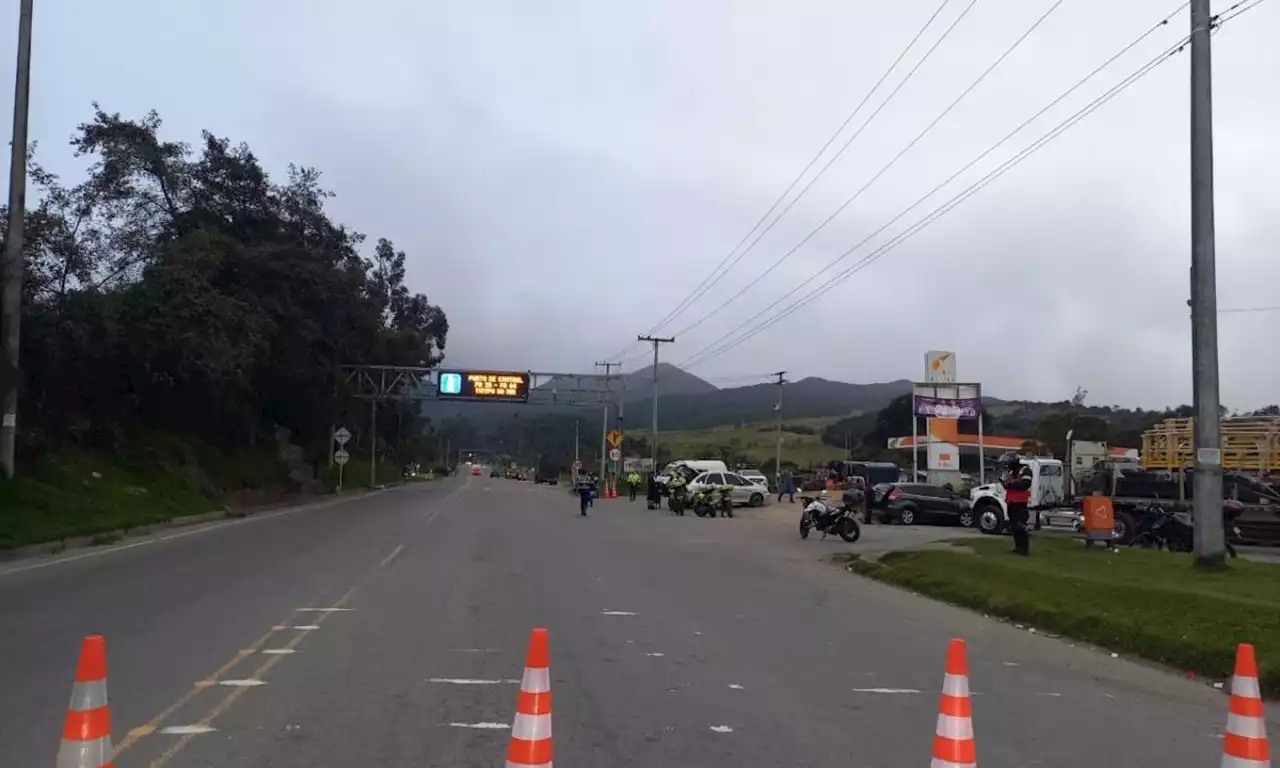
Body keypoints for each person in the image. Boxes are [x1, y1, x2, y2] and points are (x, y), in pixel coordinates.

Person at [999, 451, 1033, 555]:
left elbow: (1025, 484)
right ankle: (1018, 547)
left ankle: (1024, 549)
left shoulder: (1025, 469)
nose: (1006, 465)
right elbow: (1007, 485)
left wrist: (1012, 483)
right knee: (1013, 526)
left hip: (1020, 501)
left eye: (1007, 462)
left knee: (1020, 525)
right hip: (1011, 501)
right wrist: (1005, 483)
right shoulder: (1010, 472)